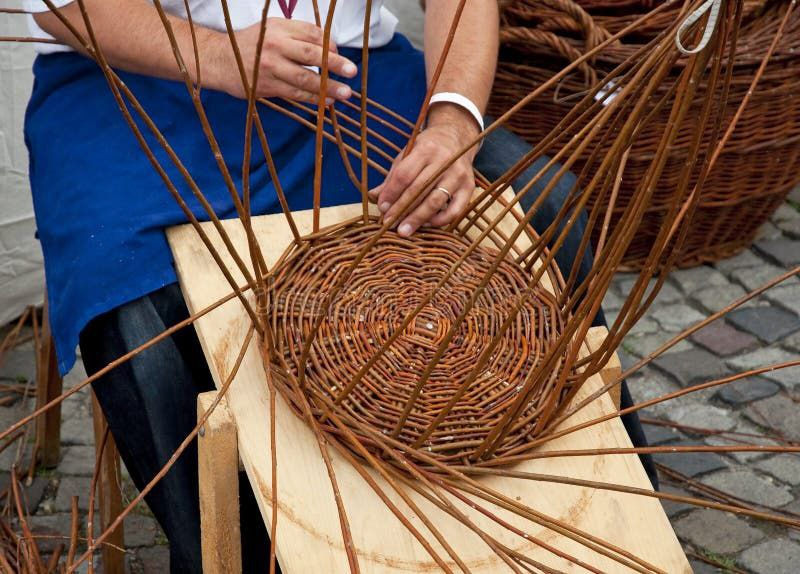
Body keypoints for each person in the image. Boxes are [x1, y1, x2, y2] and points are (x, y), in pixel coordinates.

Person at [23, 1, 656, 571]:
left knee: (545, 207)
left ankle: (611, 527)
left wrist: (454, 124)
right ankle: (247, 553)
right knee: (136, 307)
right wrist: (217, 54)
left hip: (345, 77)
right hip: (136, 84)